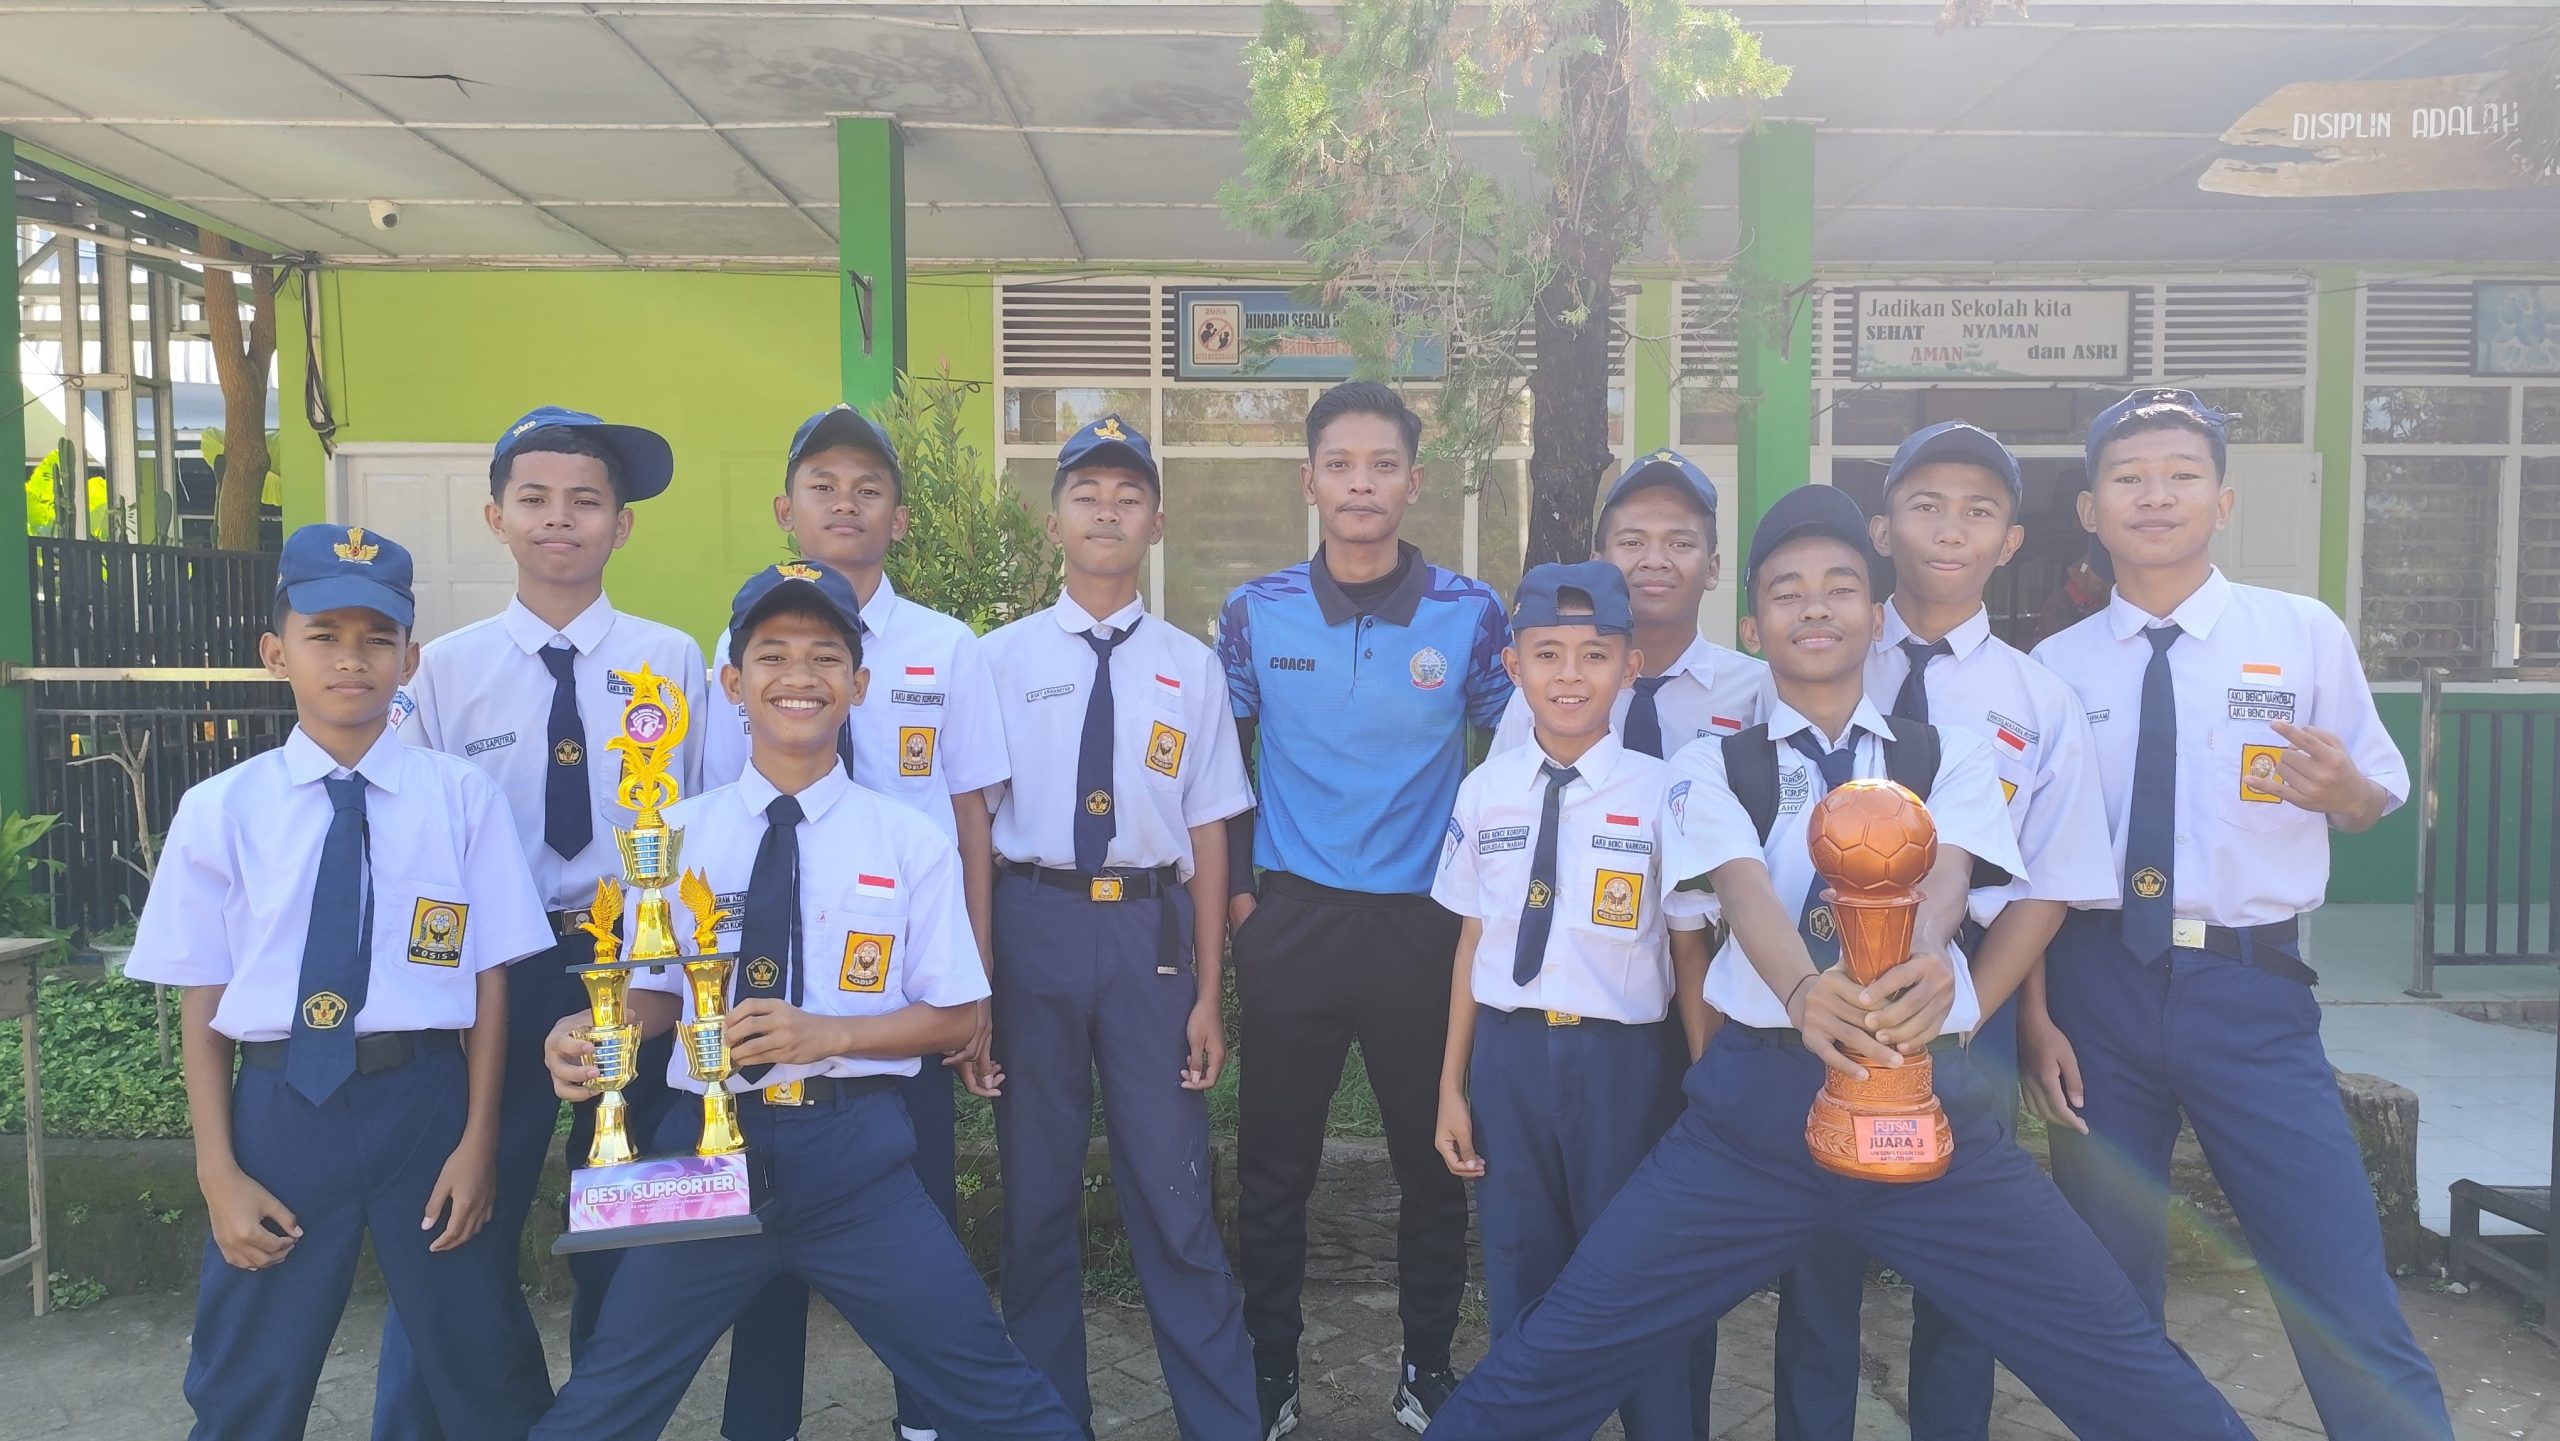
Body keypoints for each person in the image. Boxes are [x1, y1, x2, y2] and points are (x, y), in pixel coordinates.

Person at [1425, 483, 2256, 1441]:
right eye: (1787, 591)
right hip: (1757, 1110)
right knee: (1568, 1342)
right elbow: (1741, 888)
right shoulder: (1712, 763)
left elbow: (1948, 871)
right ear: (1753, 625)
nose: (1814, 607)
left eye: (1839, 587)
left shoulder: (1946, 754)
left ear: (1875, 615)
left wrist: (1933, 961)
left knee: (2111, 1348)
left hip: (1924, 1095)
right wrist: (1801, 989)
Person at [528, 560, 1081, 1441]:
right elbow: (657, 996)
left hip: (854, 1159)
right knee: (606, 1399)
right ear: (732, 682)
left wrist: (826, 1032)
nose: (800, 675)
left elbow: (954, 1016)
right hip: (706, 1157)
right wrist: (593, 1027)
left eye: (826, 656)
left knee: (993, 1389)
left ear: (858, 685)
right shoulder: (673, 836)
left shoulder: (908, 840)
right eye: (773, 654)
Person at [2027, 389, 2454, 1441]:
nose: (2155, 495)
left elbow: (2374, 794)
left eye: (2181, 474)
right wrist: (2035, 1017)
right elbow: (2028, 866)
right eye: (2128, 478)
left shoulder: (2299, 633)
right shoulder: (2054, 670)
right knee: (2109, 1289)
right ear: (2089, 509)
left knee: (2335, 1274)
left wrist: (2344, 793)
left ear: (2222, 500)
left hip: (2249, 991)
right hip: (2093, 993)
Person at [126, 524, 555, 1440]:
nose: (351, 659)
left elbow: (489, 982)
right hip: (281, 1111)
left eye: (377, 638)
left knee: (480, 1352)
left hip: (425, 1103)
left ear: (410, 658)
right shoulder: (222, 809)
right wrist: (217, 1171)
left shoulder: (459, 798)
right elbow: (204, 999)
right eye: (323, 635)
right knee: (250, 1364)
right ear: (275, 652)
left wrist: (478, 1141)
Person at [1771, 424, 2116, 1441]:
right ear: (1883, 529)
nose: (1950, 529)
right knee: (1818, 1256)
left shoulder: (2038, 700)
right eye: (1925, 505)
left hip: (1967, 1003)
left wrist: (1967, 1008)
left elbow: (2050, 884)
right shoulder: (1823, 657)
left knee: (1966, 1269)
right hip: (1827, 988)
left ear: (2011, 540)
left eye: (1978, 510)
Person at [377, 405, 702, 1431]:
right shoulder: (443, 671)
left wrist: (671, 978)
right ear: (496, 517)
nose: (561, 518)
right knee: (459, 1209)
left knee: (629, 1215)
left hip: (637, 972)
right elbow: (413, 845)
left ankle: (606, 1416)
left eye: (586, 501)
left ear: (622, 525)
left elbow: (708, 824)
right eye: (536, 499)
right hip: (493, 971)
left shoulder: (674, 661)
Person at [702, 403, 1008, 1441]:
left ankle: (928, 1418)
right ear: (785, 509)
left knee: (918, 1214)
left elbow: (970, 816)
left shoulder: (947, 646)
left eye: (868, 487)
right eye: (823, 486)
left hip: (900, 990)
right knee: (760, 1217)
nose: (846, 503)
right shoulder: (739, 640)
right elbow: (723, 807)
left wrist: (973, 986)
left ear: (899, 517)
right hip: (765, 981)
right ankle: (763, 1422)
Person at [1216, 380, 1513, 1437]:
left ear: (1412, 481)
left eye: (1382, 464)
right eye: (1339, 464)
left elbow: (1510, 762)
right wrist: (1243, 904)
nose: (1360, 483)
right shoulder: (1254, 612)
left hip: (1420, 928)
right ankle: (1269, 1369)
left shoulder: (1470, 614)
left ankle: (1425, 1364)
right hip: (1291, 923)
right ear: (1309, 480)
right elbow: (1221, 772)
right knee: (1273, 1169)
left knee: (1431, 1165)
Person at [976, 415, 1259, 1436]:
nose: (1106, 510)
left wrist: (1210, 994)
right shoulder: (997, 660)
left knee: (1176, 1195)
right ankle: (1048, 1419)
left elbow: (1209, 830)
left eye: (1128, 495)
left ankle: (1221, 1421)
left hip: (1150, 936)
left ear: (1156, 522)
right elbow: (972, 826)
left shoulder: (1192, 665)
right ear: (1053, 521)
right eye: (1086, 494)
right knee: (1036, 1196)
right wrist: (975, 984)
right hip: (1034, 923)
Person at [1431, 561, 1715, 1440]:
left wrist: (1706, 1084)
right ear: (1513, 665)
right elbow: (1472, 940)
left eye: (1594, 654)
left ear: (1630, 666)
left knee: (1642, 1272)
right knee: (1523, 1275)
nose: (1569, 674)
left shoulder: (1663, 792)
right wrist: (1451, 1086)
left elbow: (1688, 948)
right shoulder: (1485, 791)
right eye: (1547, 652)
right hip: (1510, 1061)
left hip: (1625, 1068)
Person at [1490, 449, 1769, 758]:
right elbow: (1504, 784)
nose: (1655, 561)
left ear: (1712, 569)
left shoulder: (1757, 691)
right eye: (1632, 542)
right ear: (1598, 564)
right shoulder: (1547, 692)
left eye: (1680, 544)